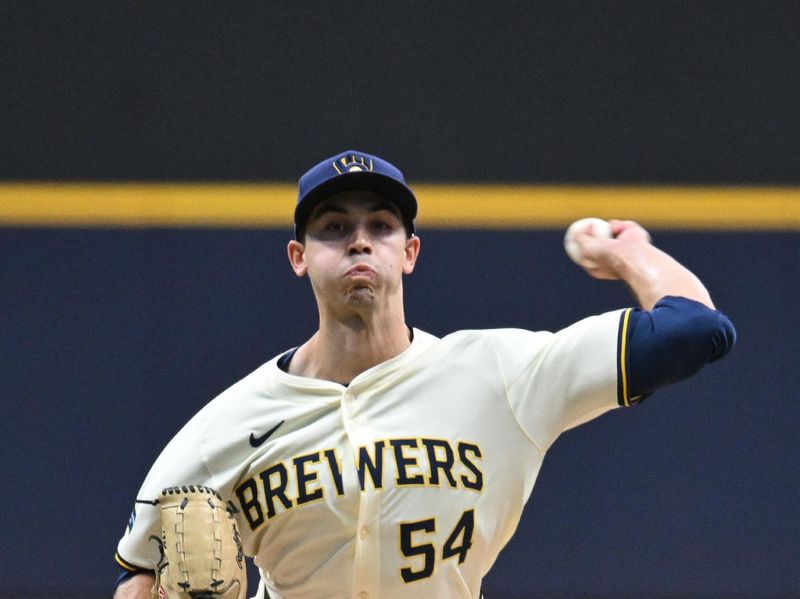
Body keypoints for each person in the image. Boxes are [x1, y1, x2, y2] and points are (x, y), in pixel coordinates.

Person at [113, 150, 735, 599]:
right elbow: (140, 572)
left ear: (409, 252)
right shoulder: (225, 426)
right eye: (334, 229)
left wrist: (629, 252)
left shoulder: (501, 375)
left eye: (380, 226)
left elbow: (695, 332)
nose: (360, 241)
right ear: (299, 258)